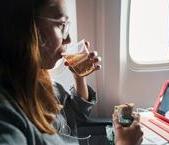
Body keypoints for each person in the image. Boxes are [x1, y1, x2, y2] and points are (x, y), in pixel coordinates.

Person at [0, 0, 143, 144]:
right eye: (62, 25)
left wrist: (79, 77)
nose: (68, 39)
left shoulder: (41, 83)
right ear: (29, 28)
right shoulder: (6, 116)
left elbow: (77, 114)